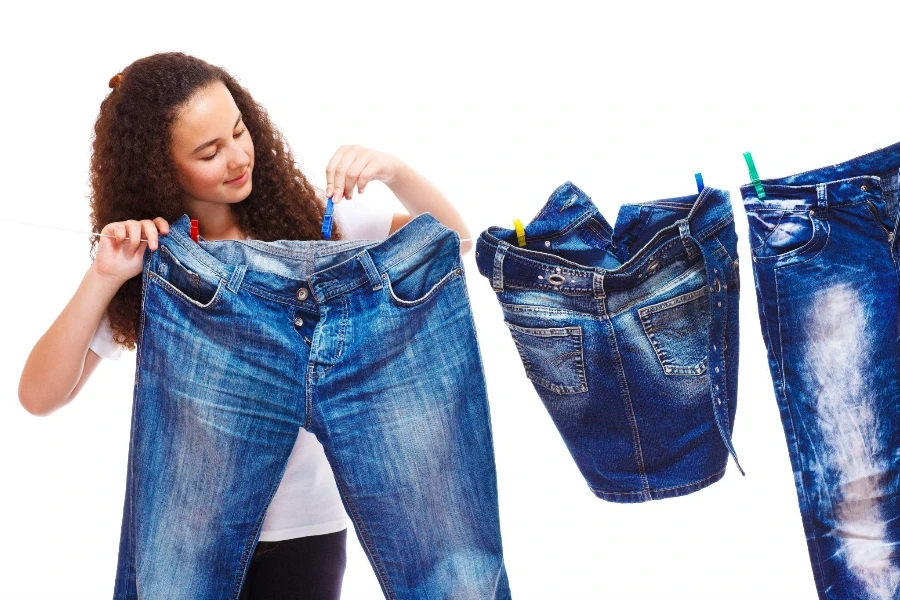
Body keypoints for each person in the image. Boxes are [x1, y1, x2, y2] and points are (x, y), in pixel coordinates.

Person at [17, 51, 472, 600]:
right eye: (209, 152)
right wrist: (105, 276)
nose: (237, 158)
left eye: (239, 132)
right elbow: (39, 396)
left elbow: (454, 245)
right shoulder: (162, 265)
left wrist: (396, 172)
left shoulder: (319, 227)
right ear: (162, 168)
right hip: (188, 526)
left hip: (305, 531)